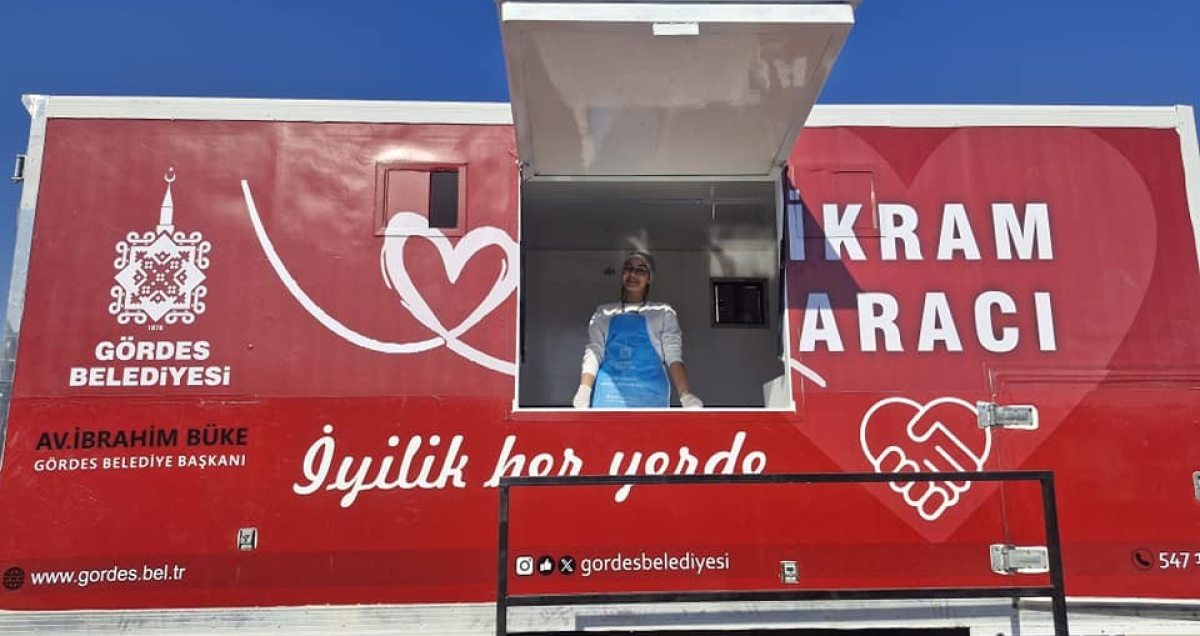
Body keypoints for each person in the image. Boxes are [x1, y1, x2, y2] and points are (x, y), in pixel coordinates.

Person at [572, 251, 703, 409]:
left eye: (641, 270)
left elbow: (673, 356)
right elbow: (594, 353)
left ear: (649, 278)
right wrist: (584, 390)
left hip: (651, 397)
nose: (633, 274)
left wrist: (685, 395)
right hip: (609, 397)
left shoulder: (663, 313)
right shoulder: (603, 313)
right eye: (628, 268)